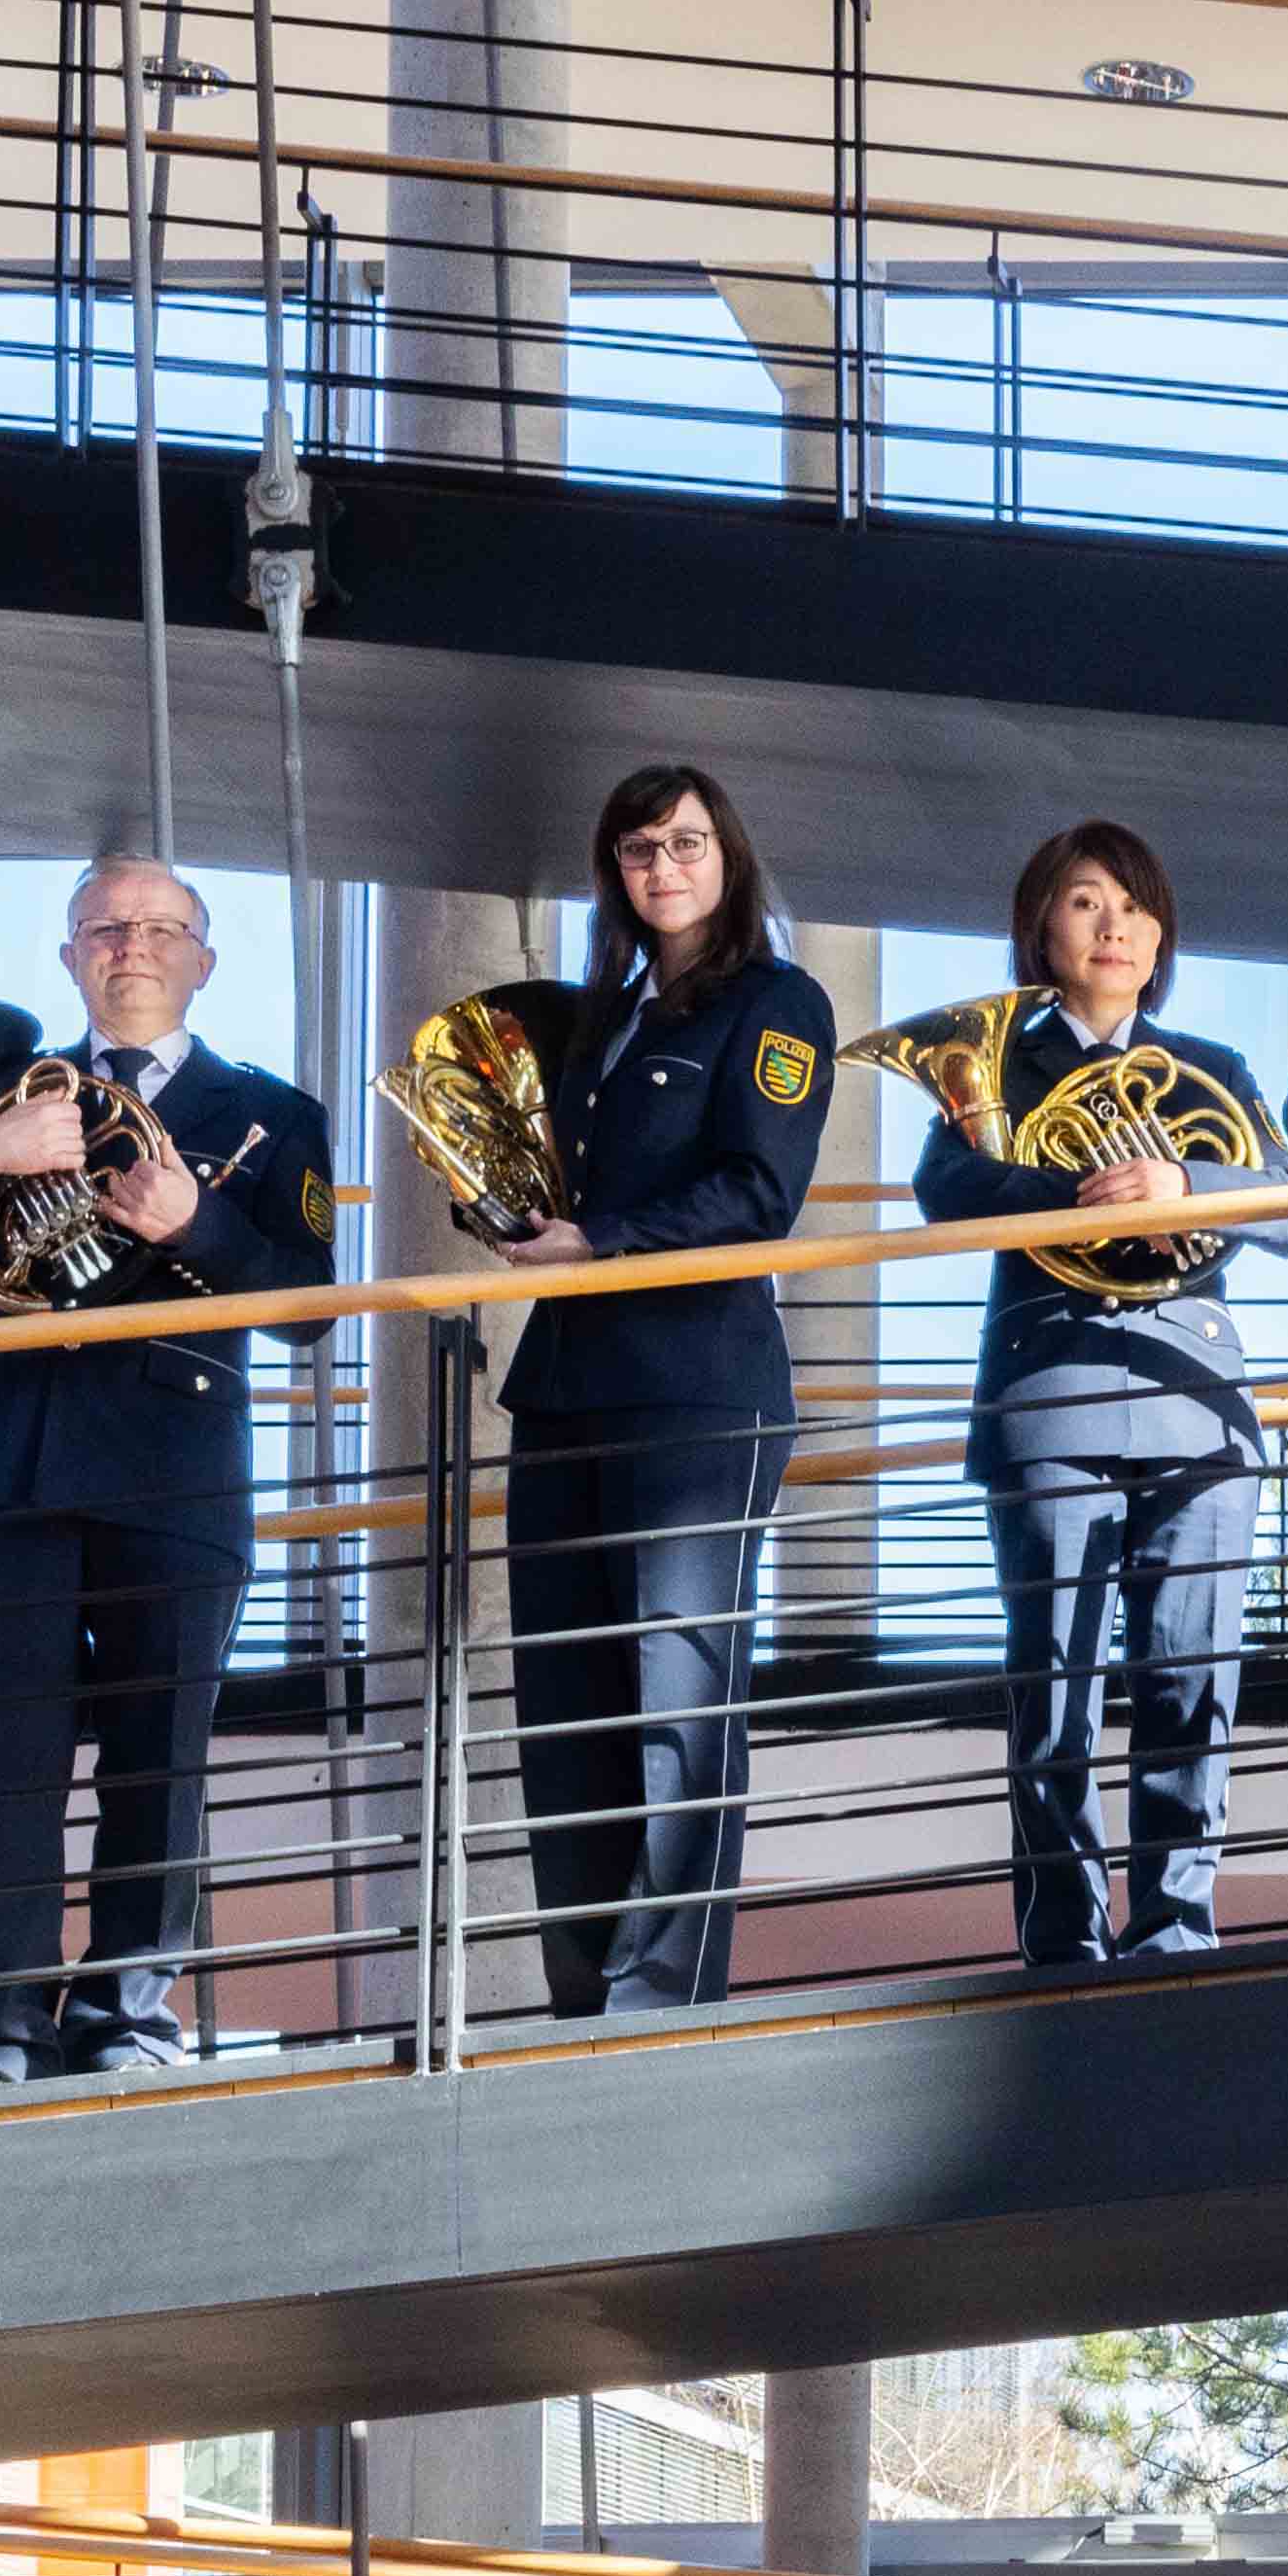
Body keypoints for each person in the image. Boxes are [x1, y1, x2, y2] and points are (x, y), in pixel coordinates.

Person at [0, 857, 335, 2080]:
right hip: (5, 1467)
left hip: (176, 1469)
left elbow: (311, 1306)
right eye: (105, 928)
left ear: (203, 959)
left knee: (159, 1761)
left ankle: (125, 2021)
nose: (132, 946)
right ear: (69, 957)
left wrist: (195, 1224)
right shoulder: (0, 1097)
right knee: (3, 1761)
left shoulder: (272, 1112)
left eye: (160, 927)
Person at [917, 821, 1288, 1969]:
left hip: (1196, 1399)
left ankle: (1175, 1931)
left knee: (1193, 1680)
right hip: (1051, 1393)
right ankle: (1063, 1945)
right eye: (1087, 901)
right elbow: (947, 1188)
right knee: (1055, 1691)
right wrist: (1084, 1189)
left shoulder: (1210, 1068)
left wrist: (1186, 1180)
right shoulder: (994, 1066)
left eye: (1134, 906)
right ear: (1041, 924)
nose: (1115, 926)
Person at [490, 763, 834, 2016]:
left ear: (726, 856)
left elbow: (759, 1191)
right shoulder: (600, 1018)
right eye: (639, 848)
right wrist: (521, 1217)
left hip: (697, 1391)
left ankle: (662, 1996)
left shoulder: (776, 1002)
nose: (663, 866)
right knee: (564, 1706)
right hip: (565, 1387)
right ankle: (582, 1996)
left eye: (686, 842)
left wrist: (602, 1240)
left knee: (678, 1699)